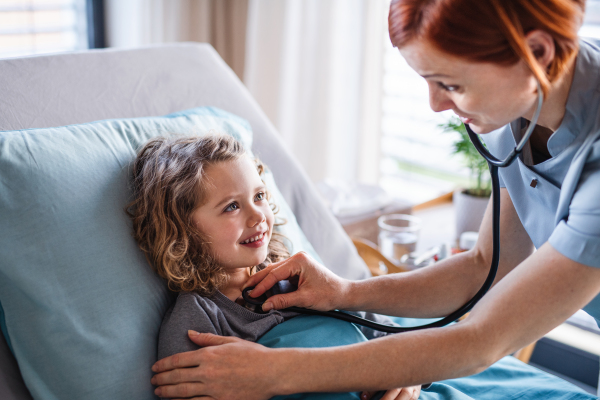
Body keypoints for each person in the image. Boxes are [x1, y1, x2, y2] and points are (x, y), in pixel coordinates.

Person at [149, 0, 600, 399]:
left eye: (452, 84)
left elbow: (482, 340)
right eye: (427, 80)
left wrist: (270, 373)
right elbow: (487, 266)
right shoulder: (510, 110)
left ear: (537, 53)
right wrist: (344, 292)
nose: (435, 105)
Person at [128, 134, 419, 400]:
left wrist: (410, 376)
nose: (258, 216)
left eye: (259, 196)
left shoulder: (298, 277)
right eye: (231, 206)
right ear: (182, 231)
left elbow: (387, 333)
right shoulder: (197, 320)